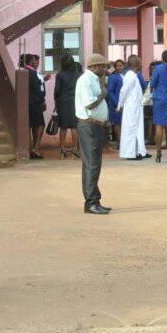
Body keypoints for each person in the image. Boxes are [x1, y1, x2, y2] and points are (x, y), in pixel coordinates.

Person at [76, 53, 112, 214]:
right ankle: (91, 203)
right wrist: (103, 94)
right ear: (94, 66)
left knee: (91, 164)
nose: (105, 69)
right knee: (92, 165)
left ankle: (94, 200)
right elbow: (90, 104)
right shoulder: (85, 80)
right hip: (89, 126)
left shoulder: (93, 80)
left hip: (94, 126)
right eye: (103, 66)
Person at [118, 55, 149, 159]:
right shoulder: (130, 76)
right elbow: (123, 91)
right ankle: (130, 154)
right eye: (140, 62)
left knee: (138, 129)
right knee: (130, 130)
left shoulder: (134, 75)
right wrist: (120, 105)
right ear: (136, 64)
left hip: (137, 107)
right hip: (131, 108)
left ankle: (141, 151)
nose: (142, 64)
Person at [53, 55, 81, 159]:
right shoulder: (78, 75)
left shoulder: (60, 75)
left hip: (63, 102)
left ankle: (62, 150)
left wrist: (55, 98)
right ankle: (75, 150)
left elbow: (57, 90)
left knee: (63, 127)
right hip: (75, 102)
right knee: (74, 126)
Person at [22, 53, 46, 159]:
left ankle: (32, 148)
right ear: (29, 61)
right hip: (35, 103)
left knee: (32, 125)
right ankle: (35, 148)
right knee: (40, 124)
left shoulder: (24, 72)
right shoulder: (32, 73)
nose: (35, 62)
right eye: (33, 60)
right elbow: (37, 89)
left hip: (27, 103)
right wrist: (42, 101)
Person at [106, 59, 125, 147]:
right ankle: (119, 143)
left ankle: (124, 142)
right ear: (115, 67)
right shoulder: (113, 77)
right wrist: (118, 103)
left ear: (123, 66)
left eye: (120, 65)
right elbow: (110, 92)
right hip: (116, 104)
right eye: (117, 66)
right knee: (117, 123)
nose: (119, 67)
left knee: (124, 123)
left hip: (126, 103)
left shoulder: (126, 75)